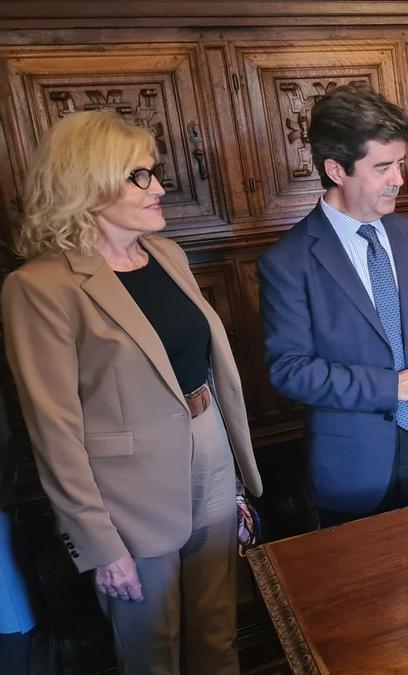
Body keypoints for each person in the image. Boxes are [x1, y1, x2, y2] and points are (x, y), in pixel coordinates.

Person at [1, 110, 262, 674]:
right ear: (87, 187)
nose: (160, 188)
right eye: (139, 176)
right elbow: (54, 431)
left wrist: (232, 475)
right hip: (126, 500)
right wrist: (97, 542)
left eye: (155, 172)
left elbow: (203, 372)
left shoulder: (168, 255)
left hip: (210, 456)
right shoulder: (39, 287)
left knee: (219, 635)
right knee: (152, 652)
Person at [258, 85, 408, 527]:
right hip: (353, 471)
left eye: (400, 164)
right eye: (383, 167)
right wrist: (393, 388)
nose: (400, 179)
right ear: (337, 169)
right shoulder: (288, 261)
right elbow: (290, 370)